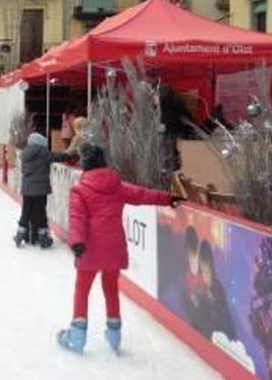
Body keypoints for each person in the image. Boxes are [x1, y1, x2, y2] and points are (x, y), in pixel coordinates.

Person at [57, 143, 180, 354]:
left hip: (89, 248)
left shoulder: (80, 189)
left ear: (85, 164)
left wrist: (77, 242)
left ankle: (77, 336)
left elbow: (77, 217)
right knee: (111, 288)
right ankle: (114, 334)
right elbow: (143, 195)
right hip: (113, 247)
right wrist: (169, 198)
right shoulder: (116, 185)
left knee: (82, 290)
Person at [13, 132, 69, 249]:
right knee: (40, 212)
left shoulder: (25, 153)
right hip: (40, 189)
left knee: (26, 211)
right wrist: (69, 154)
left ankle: (21, 233)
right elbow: (57, 156)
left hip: (27, 189)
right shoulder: (43, 153)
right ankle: (43, 236)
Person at [194, 241, 237, 341]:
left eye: (208, 271)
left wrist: (212, 303)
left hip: (221, 335)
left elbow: (225, 318)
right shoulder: (198, 286)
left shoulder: (217, 288)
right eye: (203, 271)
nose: (205, 276)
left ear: (211, 267)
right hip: (204, 334)